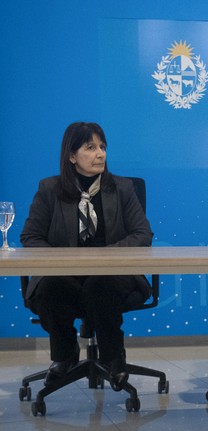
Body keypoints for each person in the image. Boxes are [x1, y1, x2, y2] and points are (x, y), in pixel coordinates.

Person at [20, 122, 154, 388]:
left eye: (102, 147)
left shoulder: (123, 188)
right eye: (90, 147)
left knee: (99, 284)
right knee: (51, 288)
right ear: (71, 156)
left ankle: (114, 358)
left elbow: (142, 234)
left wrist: (104, 257)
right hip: (65, 275)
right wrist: (64, 262)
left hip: (113, 274)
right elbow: (30, 237)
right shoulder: (49, 189)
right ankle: (64, 356)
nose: (100, 154)